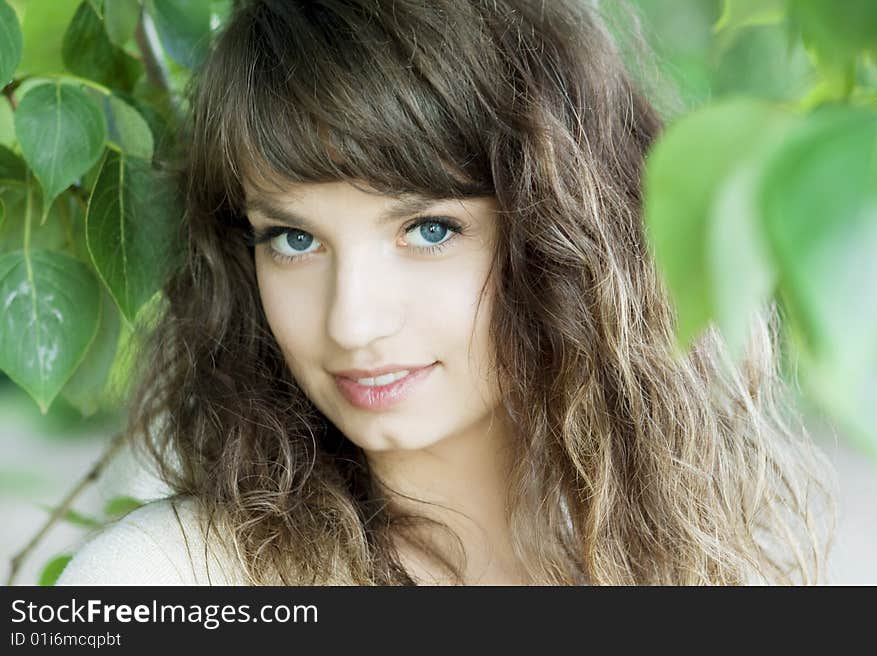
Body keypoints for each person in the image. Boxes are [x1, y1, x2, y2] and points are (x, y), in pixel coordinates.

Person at [57, 0, 835, 586]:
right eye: (293, 239)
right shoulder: (166, 581)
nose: (353, 321)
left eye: (428, 229)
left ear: (557, 234)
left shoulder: (682, 562)